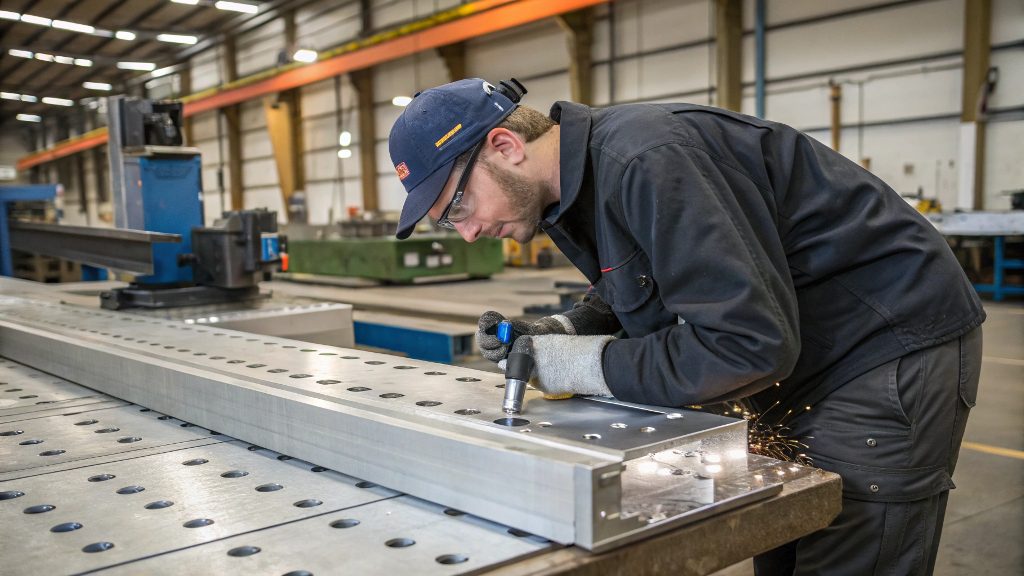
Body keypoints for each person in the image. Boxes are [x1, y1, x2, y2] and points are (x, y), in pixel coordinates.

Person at [388, 78, 984, 575]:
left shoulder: (648, 157)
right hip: (805, 351)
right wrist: (564, 330)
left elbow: (745, 344)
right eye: (449, 223)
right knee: (785, 534)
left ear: (504, 145)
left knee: (849, 547)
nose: (466, 232)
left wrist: (583, 367)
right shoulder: (579, 184)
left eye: (459, 206)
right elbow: (642, 277)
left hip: (884, 345)